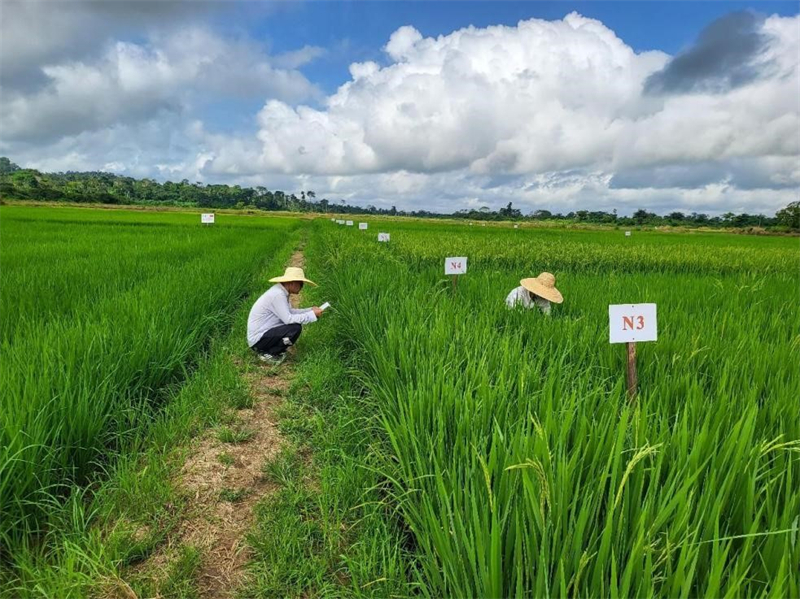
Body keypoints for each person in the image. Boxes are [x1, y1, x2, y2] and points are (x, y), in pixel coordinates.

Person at [247, 266, 323, 364]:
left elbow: (290, 312)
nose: (302, 286)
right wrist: (311, 315)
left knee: (294, 327)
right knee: (294, 328)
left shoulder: (281, 292)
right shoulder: (278, 294)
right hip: (258, 341)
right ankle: (270, 353)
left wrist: (310, 310)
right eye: (300, 283)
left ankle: (274, 348)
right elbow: (288, 319)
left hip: (262, 336)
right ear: (292, 282)